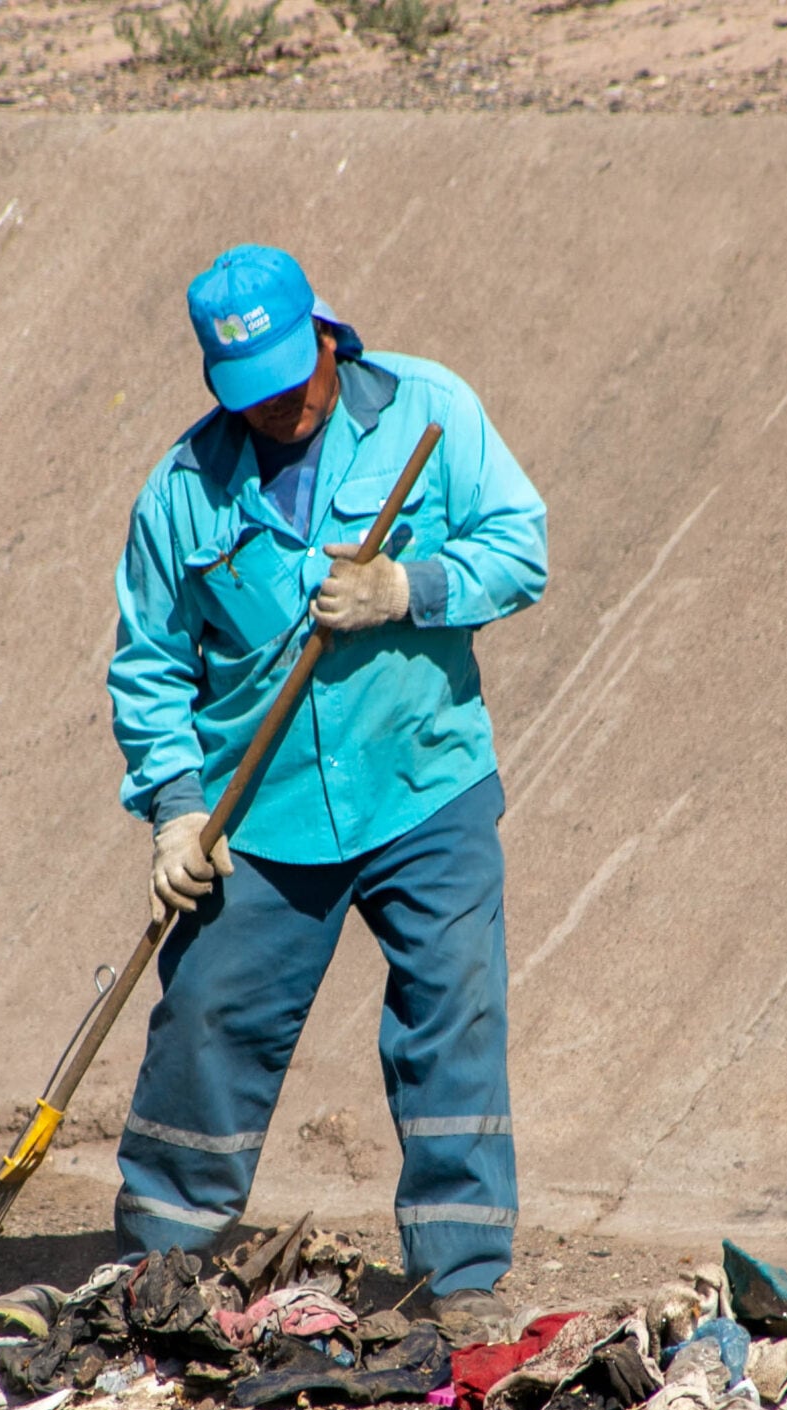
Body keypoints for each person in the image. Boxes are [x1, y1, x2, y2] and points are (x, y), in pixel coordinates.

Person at [105, 244, 547, 1343]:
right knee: (209, 1015)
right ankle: (164, 1264)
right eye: (247, 399)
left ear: (325, 335)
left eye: (292, 384)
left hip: (421, 782)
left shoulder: (426, 410)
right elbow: (149, 665)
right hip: (260, 814)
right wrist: (171, 809)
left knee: (453, 1009)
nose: (279, 412)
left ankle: (461, 1270)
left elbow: (520, 548)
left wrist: (411, 586)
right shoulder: (180, 492)